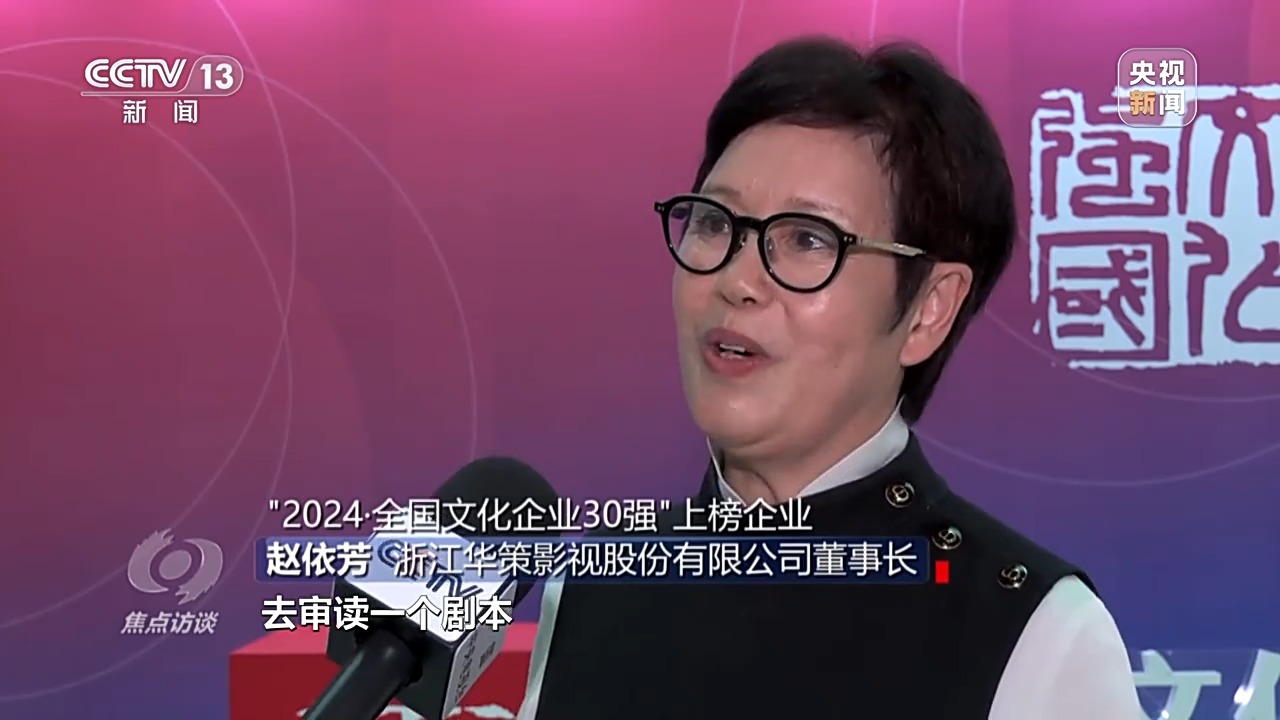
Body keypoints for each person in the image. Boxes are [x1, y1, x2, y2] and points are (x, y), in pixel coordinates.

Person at [516, 36, 1141, 719]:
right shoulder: (595, 592)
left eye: (808, 239)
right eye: (716, 223)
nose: (737, 280)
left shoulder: (1035, 634)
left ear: (928, 310)